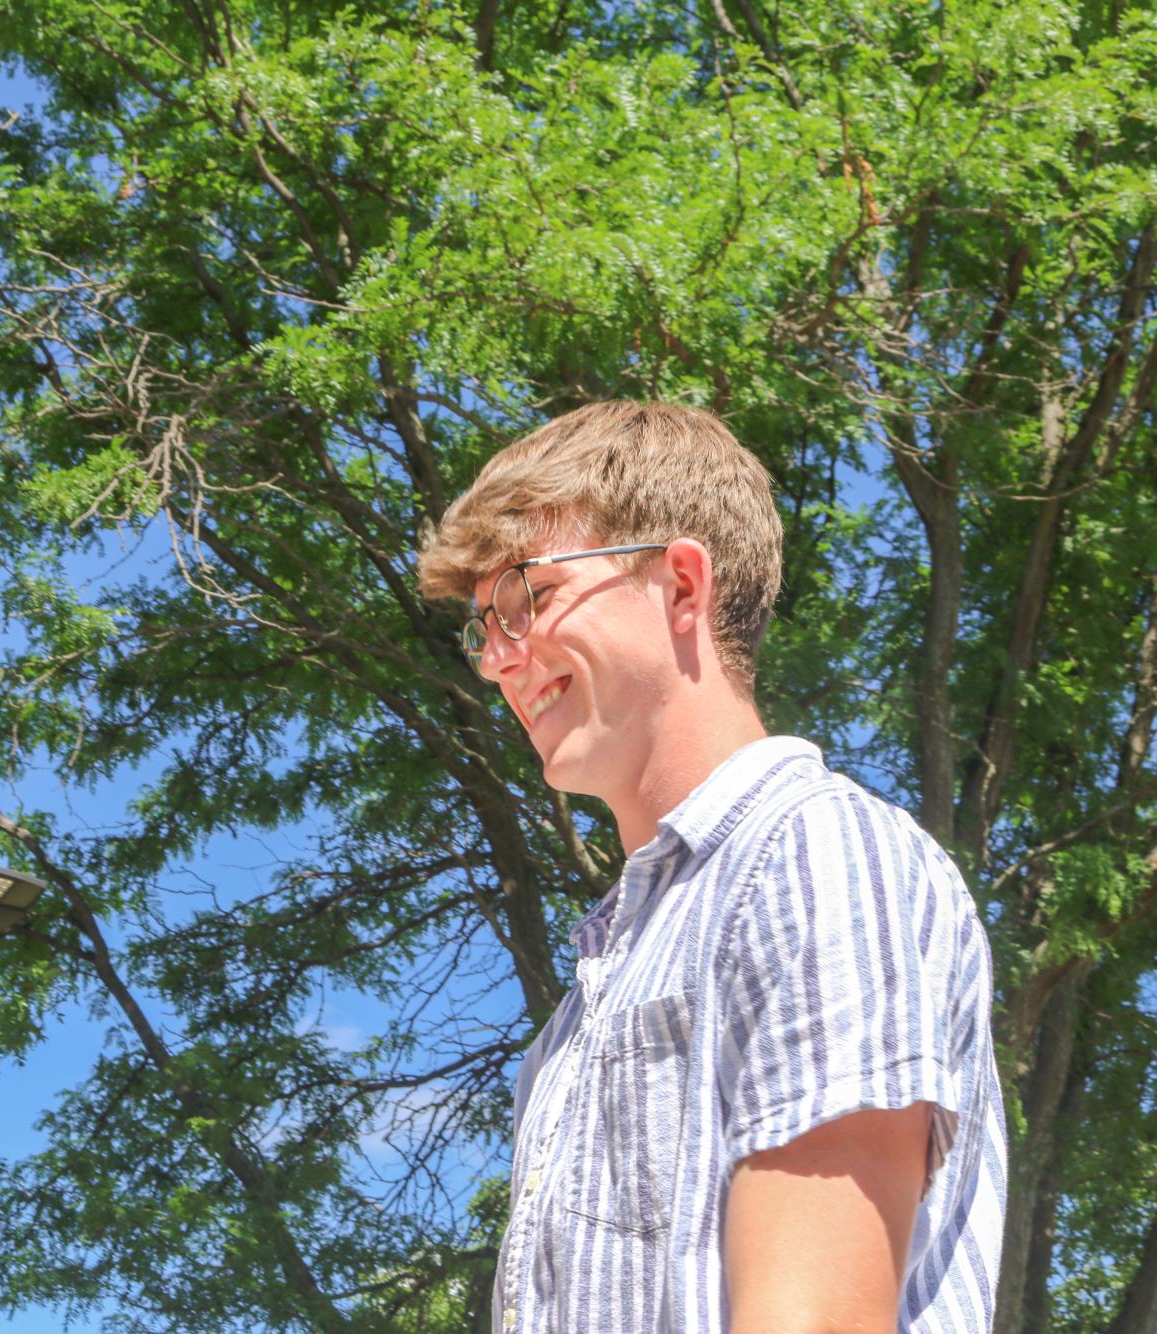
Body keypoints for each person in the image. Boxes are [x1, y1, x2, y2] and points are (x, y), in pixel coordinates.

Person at [415, 401, 1006, 1332]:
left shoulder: (816, 857)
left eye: (526, 597)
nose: (497, 660)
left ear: (682, 585)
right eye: (483, 627)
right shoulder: (585, 1006)